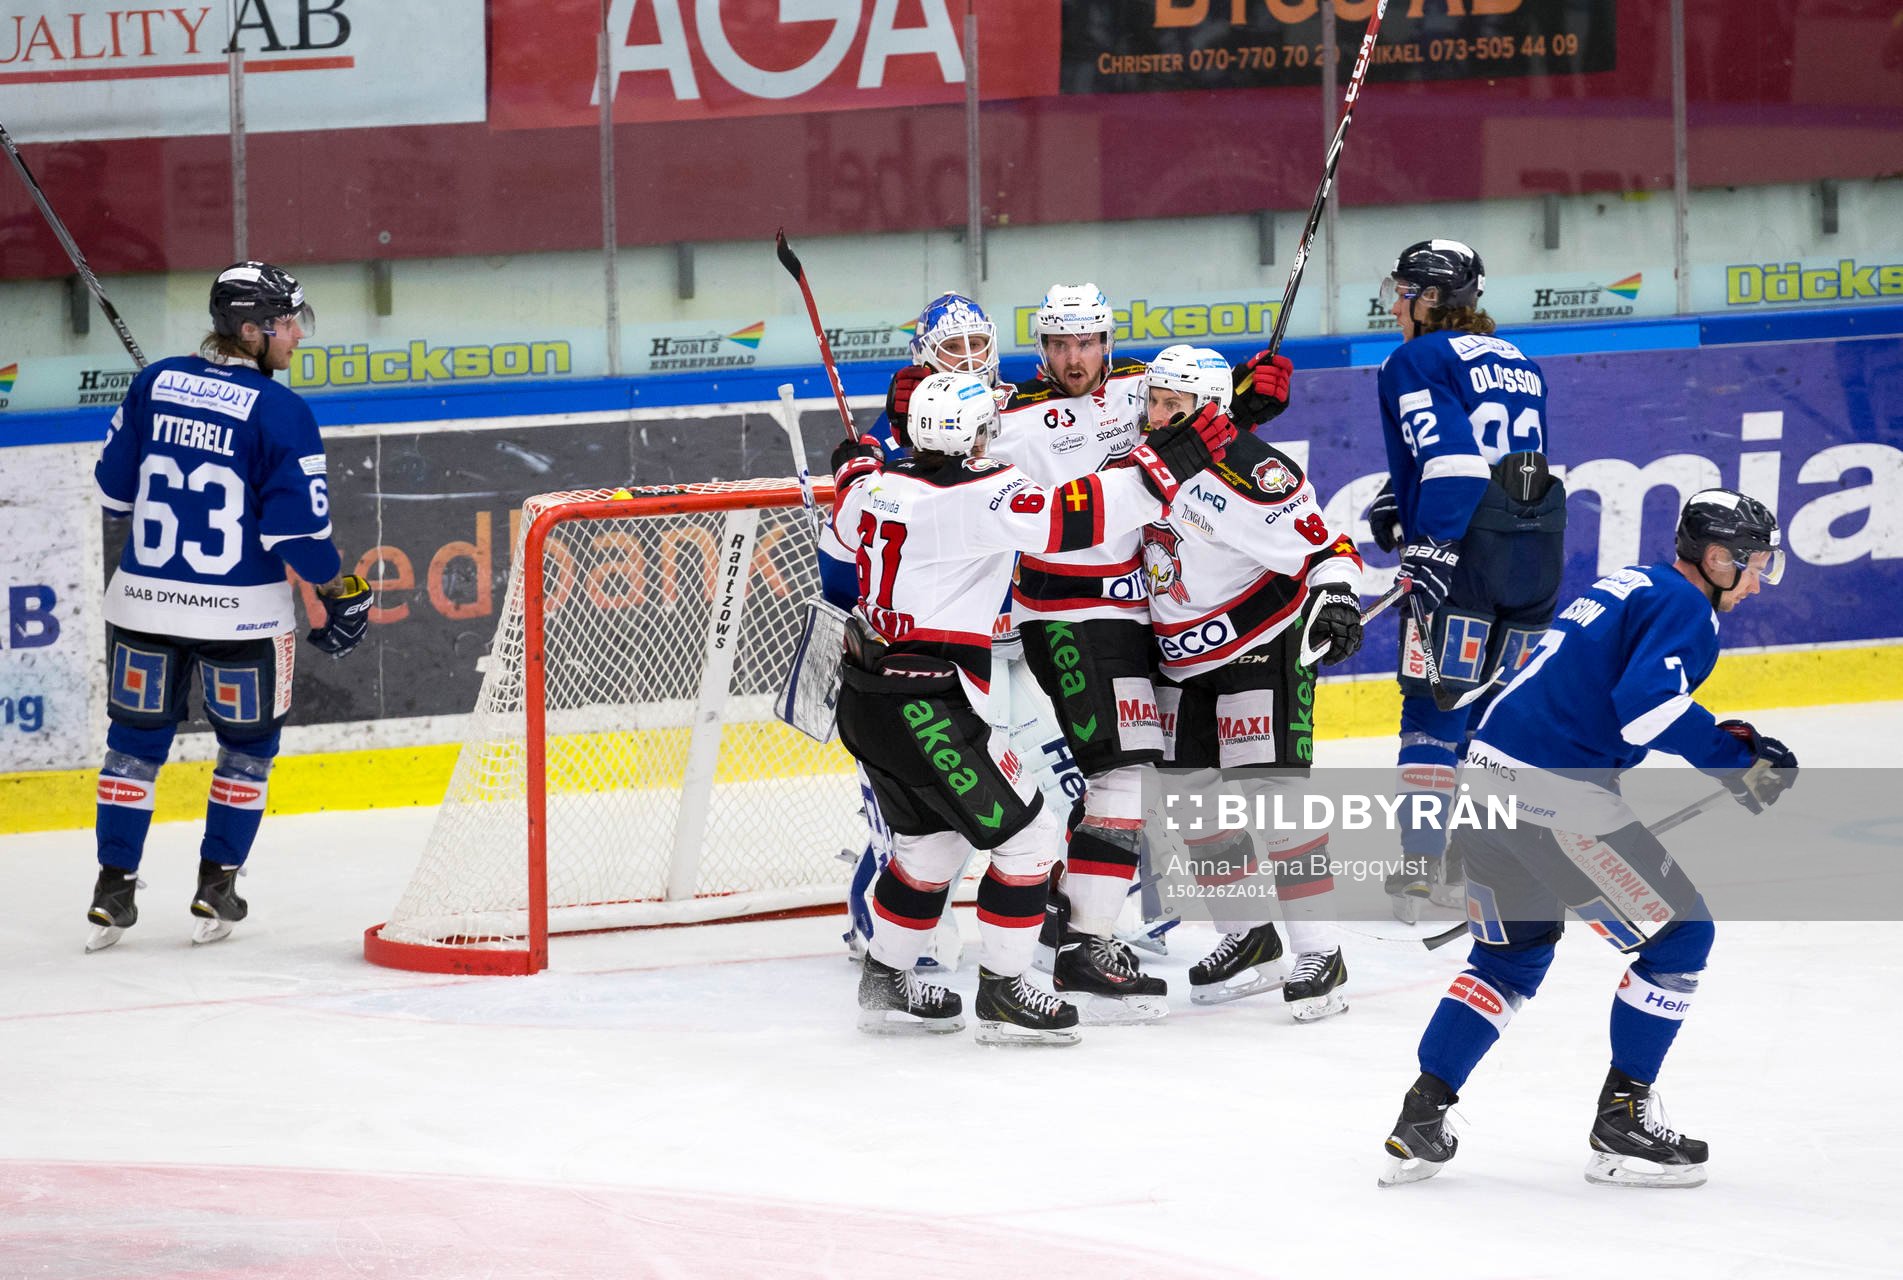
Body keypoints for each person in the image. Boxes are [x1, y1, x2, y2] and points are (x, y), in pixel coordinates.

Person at [1378, 489, 1798, 1189]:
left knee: (1507, 963)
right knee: (1681, 936)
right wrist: (1738, 763)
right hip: (1556, 797)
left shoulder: (1631, 584)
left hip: (1484, 783)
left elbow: (1598, 697)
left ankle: (1420, 1116)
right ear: (1716, 558)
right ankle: (1623, 1121)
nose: (1757, 579)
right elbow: (1645, 711)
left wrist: (1732, 745)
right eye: (1753, 564)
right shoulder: (1684, 607)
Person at [830, 370, 1233, 1043]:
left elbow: (847, 512)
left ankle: (885, 978)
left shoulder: (874, 487)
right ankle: (1007, 990)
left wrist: (857, 463)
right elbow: (1074, 519)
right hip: (929, 705)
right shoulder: (981, 492)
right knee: (1031, 837)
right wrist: (1179, 456)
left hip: (866, 697)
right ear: (972, 434)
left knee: (930, 845)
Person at [986, 286, 1296, 1023]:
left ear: (1105, 339)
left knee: (1159, 779)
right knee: (1125, 777)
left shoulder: (1138, 389)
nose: (1072, 359)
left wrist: (1246, 408)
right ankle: (1084, 940)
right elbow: (943, 457)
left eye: (1086, 342)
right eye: (1059, 345)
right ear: (1041, 346)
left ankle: (1203, 930)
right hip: (1068, 613)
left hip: (1138, 614)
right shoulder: (1010, 419)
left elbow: (1195, 427)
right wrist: (899, 424)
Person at [85, 262, 371, 952]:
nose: (298, 335)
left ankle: (112, 888)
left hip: (144, 605)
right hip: (240, 619)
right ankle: (216, 885)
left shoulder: (155, 383)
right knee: (246, 750)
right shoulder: (281, 412)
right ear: (250, 331)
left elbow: (112, 494)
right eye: (287, 322)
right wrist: (340, 590)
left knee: (132, 748)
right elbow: (297, 536)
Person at [1134, 346, 1365, 1019]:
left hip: (1262, 642)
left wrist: (1341, 597)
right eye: (1152, 400)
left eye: (1172, 405)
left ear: (1208, 408)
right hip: (1180, 657)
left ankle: (1319, 950)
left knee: (1271, 802)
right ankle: (1247, 938)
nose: (1155, 415)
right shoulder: (1141, 461)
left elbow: (1327, 548)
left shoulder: (1252, 472)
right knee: (1192, 805)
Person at [1368, 239, 1567, 922]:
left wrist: (1431, 544)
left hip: (1462, 561)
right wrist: (1402, 496)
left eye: (1404, 292)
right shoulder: (1518, 362)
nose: (1395, 303)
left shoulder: (1414, 358)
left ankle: (1422, 865)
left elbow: (1452, 463)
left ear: (1431, 300)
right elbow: (1503, 459)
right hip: (1533, 558)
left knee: (1432, 710)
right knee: (1491, 711)